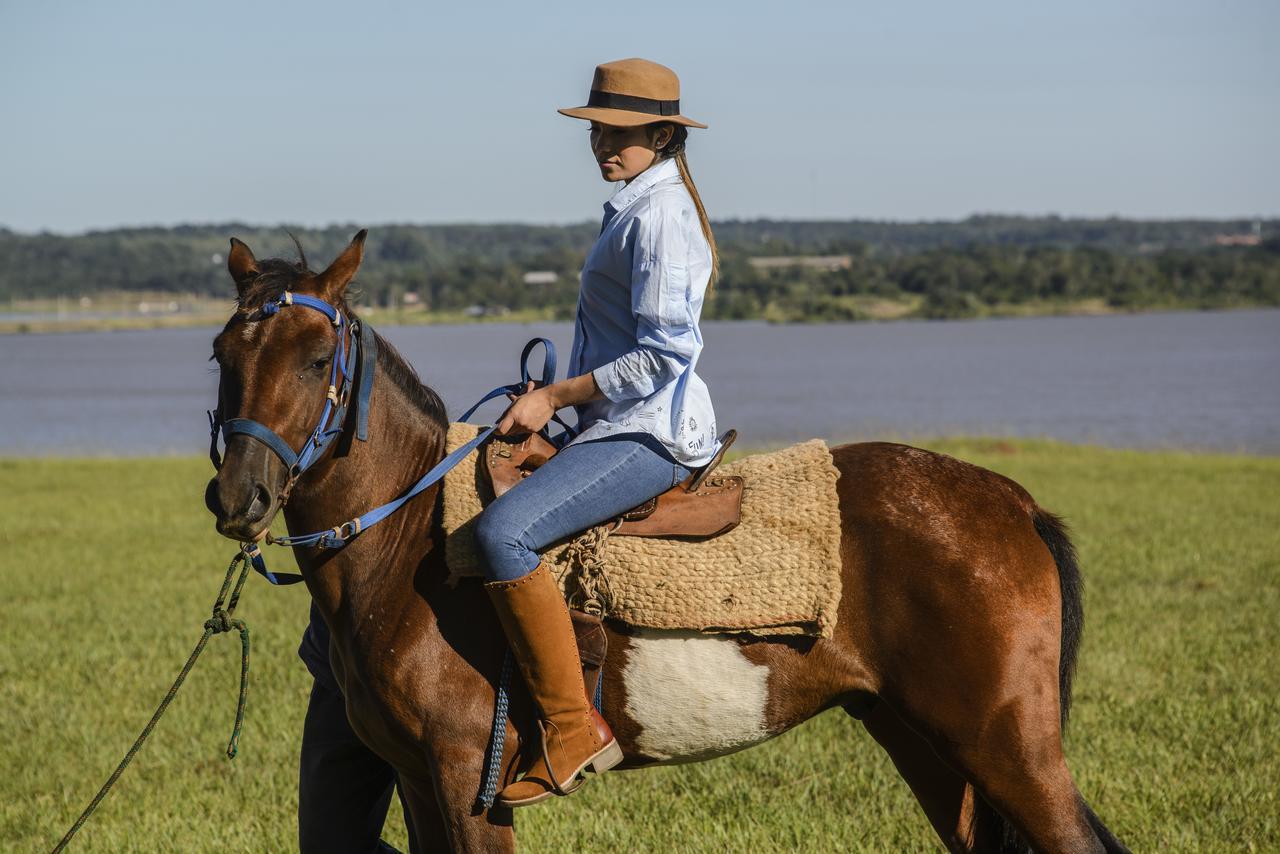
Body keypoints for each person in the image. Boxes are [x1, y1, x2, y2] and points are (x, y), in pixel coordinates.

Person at [475, 57, 722, 808]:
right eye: (595, 131)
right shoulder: (636, 205)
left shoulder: (659, 217)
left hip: (652, 435)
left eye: (618, 133)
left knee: (502, 536)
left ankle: (573, 726)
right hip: (612, 423)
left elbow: (665, 354)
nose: (602, 145)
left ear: (661, 134)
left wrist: (554, 396)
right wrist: (557, 399)